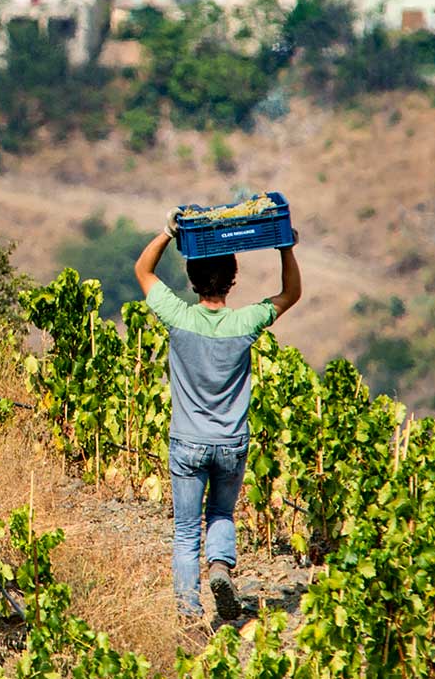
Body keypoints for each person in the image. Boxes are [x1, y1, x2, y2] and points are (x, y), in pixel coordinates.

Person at [133, 214, 301, 623]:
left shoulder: (178, 317)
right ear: (232, 278)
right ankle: (221, 567)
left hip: (187, 443)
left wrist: (170, 232)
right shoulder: (244, 323)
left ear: (192, 278)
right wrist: (285, 247)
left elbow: (142, 269)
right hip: (231, 443)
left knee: (186, 531)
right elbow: (291, 294)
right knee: (222, 515)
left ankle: (189, 616)